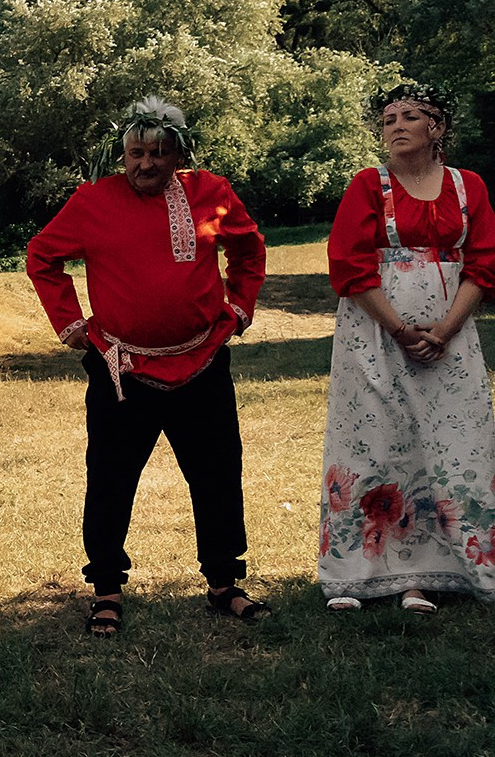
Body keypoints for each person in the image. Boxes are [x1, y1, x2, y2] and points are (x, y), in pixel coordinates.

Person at [26, 97, 269, 635]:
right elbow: (42, 256)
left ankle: (224, 583)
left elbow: (249, 250)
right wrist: (69, 322)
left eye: (158, 153)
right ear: (123, 154)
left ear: (178, 154)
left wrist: (239, 306)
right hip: (121, 368)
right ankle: (106, 590)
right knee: (110, 479)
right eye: (136, 153)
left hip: (202, 361)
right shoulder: (93, 199)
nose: (146, 164)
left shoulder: (211, 192)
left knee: (217, 473)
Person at [319, 83, 495, 609]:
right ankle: (362, 573)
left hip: (451, 337)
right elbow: (348, 264)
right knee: (376, 439)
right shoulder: (368, 185)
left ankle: (443, 568)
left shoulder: (468, 186)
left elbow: (484, 262)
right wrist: (399, 330)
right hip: (375, 333)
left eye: (409, 116)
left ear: (436, 127)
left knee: (453, 444)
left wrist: (445, 330)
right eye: (388, 119)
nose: (395, 126)